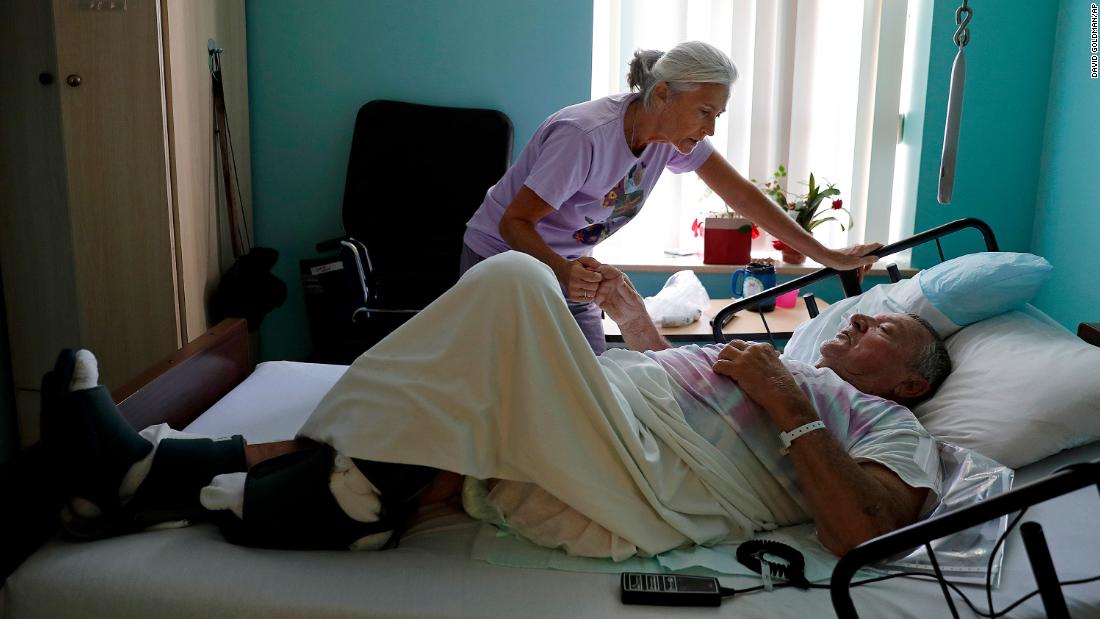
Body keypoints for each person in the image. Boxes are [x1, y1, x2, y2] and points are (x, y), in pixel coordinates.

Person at [46, 252, 948, 558]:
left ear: (909, 381)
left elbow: (863, 533)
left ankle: (338, 488)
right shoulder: (778, 359)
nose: (863, 315)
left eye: (885, 329)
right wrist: (639, 324)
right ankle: (150, 476)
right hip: (611, 418)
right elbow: (681, 385)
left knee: (512, 283)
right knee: (469, 365)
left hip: (646, 478)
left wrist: (788, 398)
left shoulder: (892, 428)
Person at [462, 41, 882, 353]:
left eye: (716, 115)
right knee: (504, 387)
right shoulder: (584, 136)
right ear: (662, 93)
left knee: (589, 382)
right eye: (704, 112)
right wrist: (563, 271)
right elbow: (513, 223)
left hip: (572, 272)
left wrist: (828, 255)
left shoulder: (670, 139)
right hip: (504, 260)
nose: (711, 129)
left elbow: (742, 195)